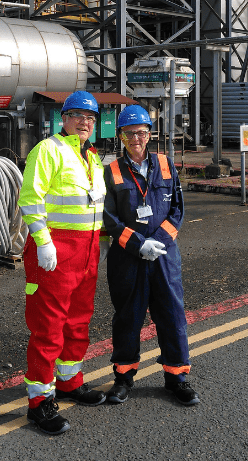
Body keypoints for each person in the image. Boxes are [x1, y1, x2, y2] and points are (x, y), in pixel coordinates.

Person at [18, 90, 109, 435]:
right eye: (77, 116)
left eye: (90, 118)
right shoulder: (48, 150)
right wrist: (43, 242)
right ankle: (39, 403)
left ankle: (70, 381)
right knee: (49, 327)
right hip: (56, 251)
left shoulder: (92, 156)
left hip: (87, 250)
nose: (84, 123)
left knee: (78, 321)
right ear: (64, 119)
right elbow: (30, 198)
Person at [102, 105, 199, 406]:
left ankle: (176, 378)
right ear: (121, 136)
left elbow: (178, 210)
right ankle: (123, 377)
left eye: (141, 133)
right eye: (130, 134)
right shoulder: (112, 171)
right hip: (128, 258)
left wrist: (156, 242)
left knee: (171, 315)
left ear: (149, 135)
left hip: (164, 257)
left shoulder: (166, 164)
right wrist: (137, 244)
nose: (136, 139)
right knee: (128, 317)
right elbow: (108, 218)